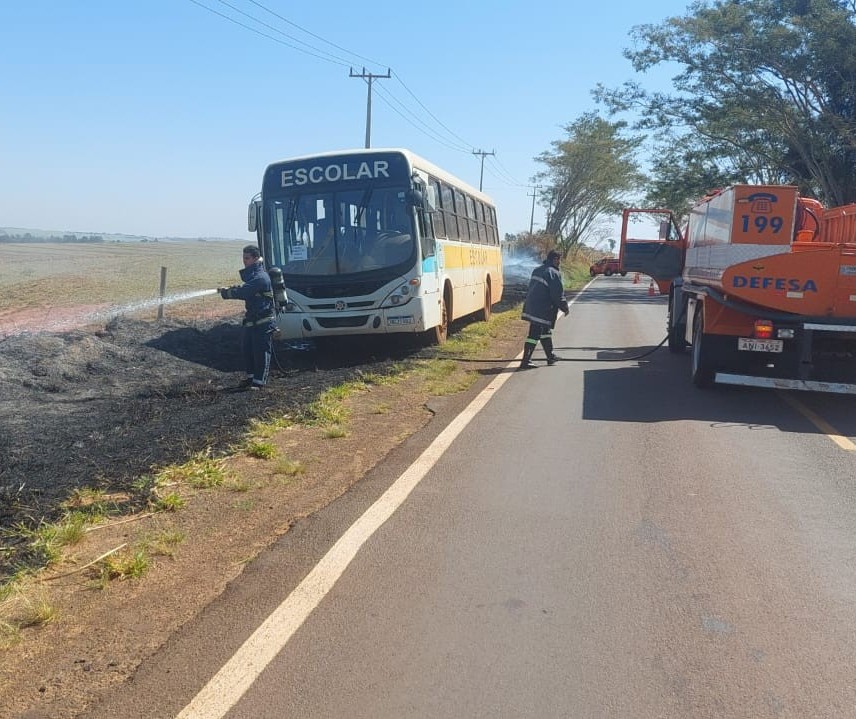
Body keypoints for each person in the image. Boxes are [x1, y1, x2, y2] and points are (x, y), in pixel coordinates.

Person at [218, 245, 276, 390]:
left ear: (255, 258)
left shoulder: (261, 277)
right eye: (243, 258)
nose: (244, 261)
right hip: (252, 320)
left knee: (261, 351)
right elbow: (246, 288)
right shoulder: (254, 276)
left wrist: (227, 293)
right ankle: (251, 378)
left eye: (247, 258)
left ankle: (259, 382)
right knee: (247, 349)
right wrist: (230, 289)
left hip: (263, 322)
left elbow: (245, 292)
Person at [519, 249, 569, 370]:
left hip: (532, 306)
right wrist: (565, 307)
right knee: (534, 334)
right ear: (555, 259)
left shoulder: (538, 270)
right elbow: (557, 294)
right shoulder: (553, 273)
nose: (559, 263)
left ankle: (550, 356)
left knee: (545, 332)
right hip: (543, 308)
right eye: (559, 260)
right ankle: (525, 361)